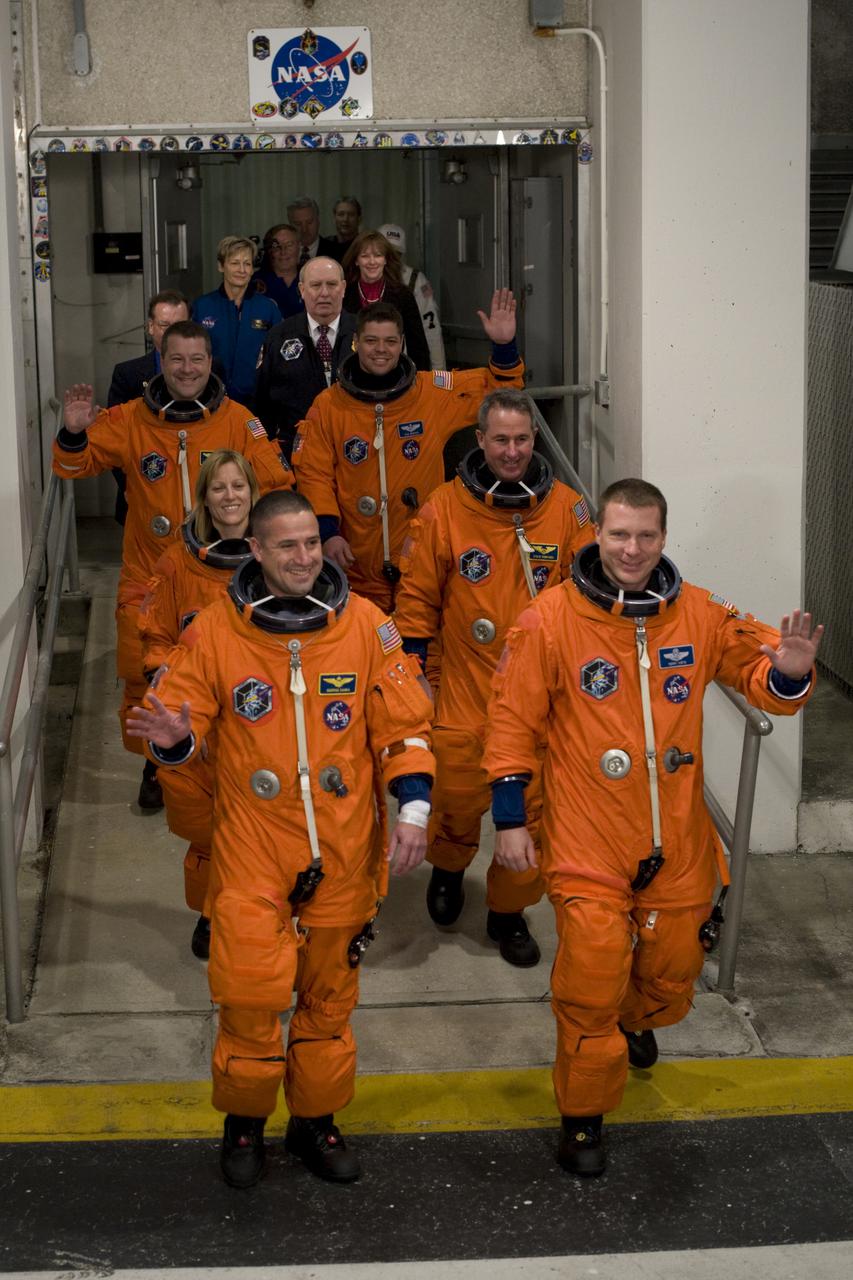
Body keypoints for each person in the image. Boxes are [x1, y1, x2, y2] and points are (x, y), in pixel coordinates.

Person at [482, 478, 824, 1178]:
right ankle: (581, 1119)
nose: (631, 549)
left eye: (644, 535)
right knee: (590, 979)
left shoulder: (696, 613)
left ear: (663, 538)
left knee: (670, 975)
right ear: (595, 536)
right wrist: (511, 820)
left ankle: (635, 1019)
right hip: (586, 837)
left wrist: (787, 673)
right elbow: (511, 722)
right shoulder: (548, 619)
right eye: (617, 535)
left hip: (675, 841)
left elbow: (762, 677)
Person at [126, 490, 435, 1190]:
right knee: (250, 999)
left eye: (308, 543)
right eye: (285, 546)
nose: (301, 557)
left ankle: (315, 1124)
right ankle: (242, 1125)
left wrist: (413, 810)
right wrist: (176, 744)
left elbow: (405, 727)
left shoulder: (364, 626)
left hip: (344, 853)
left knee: (327, 1006)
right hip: (252, 854)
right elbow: (184, 719)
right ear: (256, 550)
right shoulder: (214, 632)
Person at [54, 320, 294, 810]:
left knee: (231, 676)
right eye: (177, 359)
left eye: (197, 360)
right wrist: (74, 433)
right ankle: (156, 764)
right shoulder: (130, 420)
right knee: (148, 677)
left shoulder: (236, 420)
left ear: (211, 363)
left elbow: (275, 484)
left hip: (221, 578)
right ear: (161, 361)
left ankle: (230, 759)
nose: (187, 370)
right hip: (151, 576)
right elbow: (74, 465)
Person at [395, 389, 592, 967]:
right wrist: (412, 682)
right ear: (479, 440)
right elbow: (415, 603)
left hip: (540, 701)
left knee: (532, 816)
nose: (512, 452)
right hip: (464, 689)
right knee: (454, 800)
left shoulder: (566, 509)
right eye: (501, 440)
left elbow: (590, 599)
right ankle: (450, 869)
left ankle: (508, 911)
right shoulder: (444, 509)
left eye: (523, 440)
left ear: (536, 440)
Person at [291, 291, 523, 613]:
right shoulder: (329, 406)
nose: (381, 350)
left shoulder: (430, 394)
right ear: (356, 342)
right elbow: (313, 473)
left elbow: (500, 392)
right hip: (355, 567)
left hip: (423, 564)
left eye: (389, 341)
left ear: (402, 343)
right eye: (371, 341)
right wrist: (327, 532)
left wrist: (503, 346)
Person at [139, 450, 259, 960]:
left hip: (258, 712)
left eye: (238, 487)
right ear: (203, 497)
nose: (229, 497)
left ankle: (256, 913)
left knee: (263, 820)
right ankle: (211, 913)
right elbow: (155, 637)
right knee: (210, 830)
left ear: (253, 493)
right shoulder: (176, 564)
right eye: (219, 488)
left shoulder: (273, 556)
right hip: (198, 720)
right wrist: (171, 673)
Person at [254, 256, 357, 460]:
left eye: (332, 284)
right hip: (295, 455)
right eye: (316, 285)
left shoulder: (365, 333)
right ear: (302, 289)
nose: (324, 293)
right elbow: (262, 405)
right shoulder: (278, 336)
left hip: (355, 450)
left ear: (343, 288)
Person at [108, 290, 191, 526]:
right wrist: (128, 488)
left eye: (181, 325)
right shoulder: (127, 375)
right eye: (165, 325)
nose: (173, 333)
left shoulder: (213, 372)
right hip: (141, 495)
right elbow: (116, 441)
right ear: (151, 327)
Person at [191, 235, 281, 410]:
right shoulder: (202, 307)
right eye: (234, 263)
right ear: (220, 266)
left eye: (247, 264)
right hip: (211, 400)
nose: (242, 270)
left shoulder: (268, 308)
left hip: (257, 403)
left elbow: (278, 357)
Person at [342, 230, 431, 372]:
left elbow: (418, 347)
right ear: (356, 260)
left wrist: (420, 383)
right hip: (352, 373)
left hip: (394, 373)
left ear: (385, 259)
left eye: (378, 255)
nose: (372, 262)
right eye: (365, 256)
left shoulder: (403, 295)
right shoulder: (343, 294)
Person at [378, 223, 446, 370]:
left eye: (396, 254)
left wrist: (439, 376)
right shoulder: (363, 279)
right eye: (386, 252)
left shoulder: (415, 280)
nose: (391, 259)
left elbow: (431, 330)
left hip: (406, 366)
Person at [252, 223, 304, 320]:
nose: (283, 251)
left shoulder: (311, 279)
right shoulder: (255, 282)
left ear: (299, 247)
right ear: (269, 250)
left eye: (289, 245)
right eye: (276, 246)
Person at [287, 196, 339, 266]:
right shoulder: (282, 255)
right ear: (290, 225)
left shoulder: (337, 252)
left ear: (318, 221)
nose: (304, 229)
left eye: (309, 222)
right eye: (298, 224)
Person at [327, 195, 362, 263]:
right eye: (341, 214)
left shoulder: (365, 246)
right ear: (334, 218)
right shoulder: (325, 246)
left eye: (351, 215)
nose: (345, 219)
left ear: (359, 219)